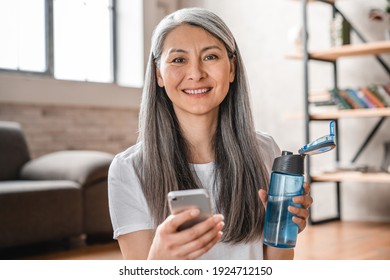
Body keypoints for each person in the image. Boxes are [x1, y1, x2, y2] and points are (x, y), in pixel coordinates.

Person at [108, 7, 313, 260]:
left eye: (211, 57)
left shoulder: (265, 149)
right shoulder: (129, 170)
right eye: (178, 60)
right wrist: (159, 258)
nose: (196, 74)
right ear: (159, 73)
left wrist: (283, 231)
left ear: (232, 69)